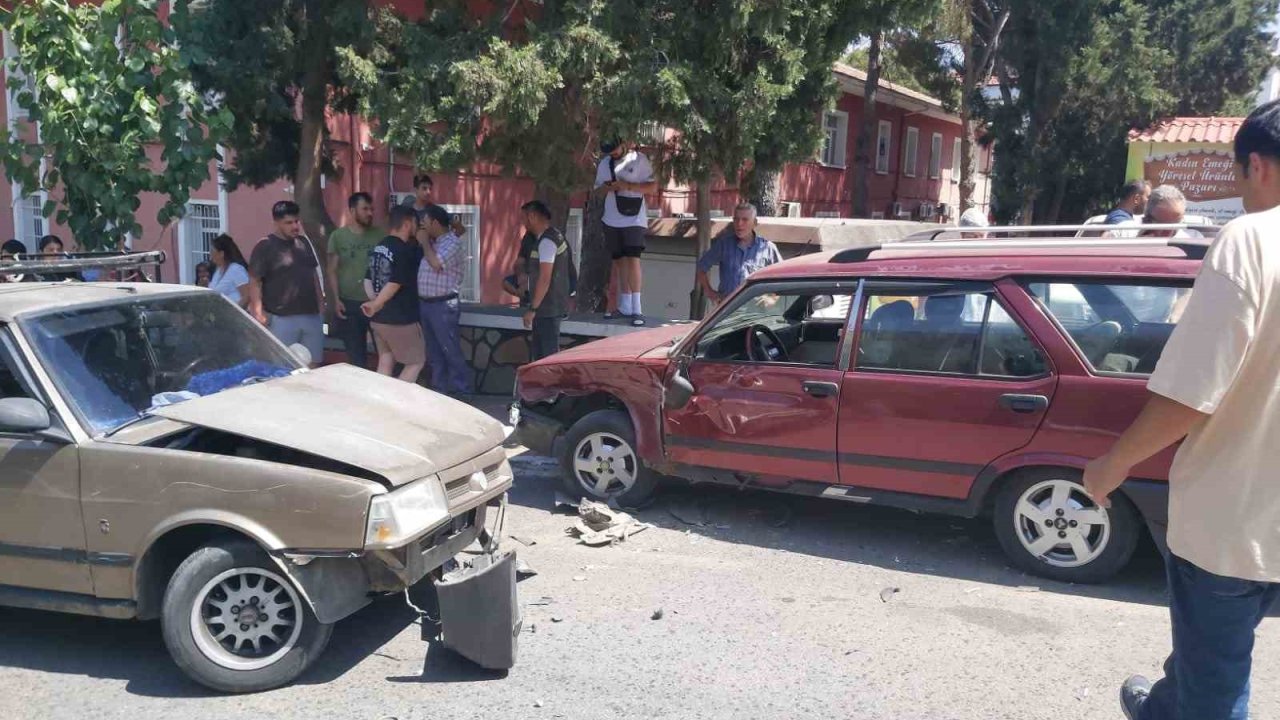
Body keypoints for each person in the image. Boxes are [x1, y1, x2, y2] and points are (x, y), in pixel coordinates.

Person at [1083, 100, 1280, 720]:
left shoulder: (1251, 240)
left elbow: (1192, 392)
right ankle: (1163, 705)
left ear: (1256, 165)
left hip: (1235, 519)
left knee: (1215, 683)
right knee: (1201, 665)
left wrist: (1111, 465)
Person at [248, 201, 325, 366]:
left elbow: (313, 274)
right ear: (276, 223)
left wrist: (321, 305)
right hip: (281, 318)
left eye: (296, 221)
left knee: (314, 365)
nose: (295, 226)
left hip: (311, 315)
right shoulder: (265, 246)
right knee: (282, 367)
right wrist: (258, 312)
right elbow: (255, 281)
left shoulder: (303, 242)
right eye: (289, 223)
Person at [594, 139, 656, 326]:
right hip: (611, 217)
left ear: (623, 145)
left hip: (634, 218)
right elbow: (597, 191)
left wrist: (626, 186)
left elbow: (652, 187)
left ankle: (637, 309)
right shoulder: (605, 164)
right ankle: (625, 305)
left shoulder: (639, 159)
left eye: (615, 151)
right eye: (609, 153)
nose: (612, 155)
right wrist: (607, 188)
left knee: (633, 259)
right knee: (619, 261)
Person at [361, 205, 426, 383]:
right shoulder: (403, 250)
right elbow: (395, 282)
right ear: (407, 223)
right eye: (415, 222)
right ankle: (398, 401)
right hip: (401, 319)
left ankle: (380, 402)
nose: (417, 226)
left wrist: (375, 302)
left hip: (378, 319)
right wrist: (377, 303)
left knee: (385, 360)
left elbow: (367, 279)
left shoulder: (379, 247)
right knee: (416, 362)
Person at [417, 203, 471, 395]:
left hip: (443, 305)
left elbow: (436, 264)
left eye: (424, 222)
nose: (421, 227)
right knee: (434, 353)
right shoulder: (435, 243)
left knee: (450, 350)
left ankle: (462, 392)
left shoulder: (452, 243)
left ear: (435, 222)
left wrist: (423, 242)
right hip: (427, 304)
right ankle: (439, 391)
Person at [328, 192, 383, 369]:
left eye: (371, 209)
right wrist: (336, 300)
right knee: (356, 356)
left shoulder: (380, 235)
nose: (370, 213)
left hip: (376, 303)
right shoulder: (338, 236)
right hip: (349, 304)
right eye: (365, 209)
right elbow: (332, 270)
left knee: (385, 353)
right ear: (352, 210)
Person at [695, 202, 784, 306]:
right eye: (736, 219)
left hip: (754, 310)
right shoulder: (724, 245)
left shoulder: (767, 248)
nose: (739, 224)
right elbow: (701, 268)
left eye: (745, 220)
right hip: (727, 308)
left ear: (754, 223)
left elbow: (784, 276)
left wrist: (772, 298)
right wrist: (710, 292)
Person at [520, 200, 572, 360]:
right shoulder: (551, 237)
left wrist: (533, 309)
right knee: (542, 358)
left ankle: (550, 386)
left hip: (547, 310)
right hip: (549, 309)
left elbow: (545, 277)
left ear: (532, 216)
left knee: (546, 359)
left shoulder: (547, 241)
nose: (522, 222)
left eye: (524, 218)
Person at [401, 173, 467, 241]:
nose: (428, 192)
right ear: (415, 190)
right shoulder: (406, 208)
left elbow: (461, 229)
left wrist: (449, 242)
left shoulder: (437, 211)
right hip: (408, 250)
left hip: (429, 250)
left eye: (430, 189)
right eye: (424, 188)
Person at [207, 234, 250, 307]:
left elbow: (247, 296)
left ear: (221, 254)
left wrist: (235, 313)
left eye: (212, 252)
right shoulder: (218, 271)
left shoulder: (236, 270)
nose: (210, 256)